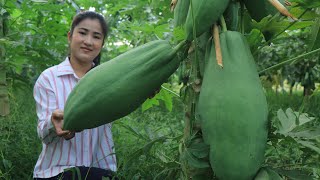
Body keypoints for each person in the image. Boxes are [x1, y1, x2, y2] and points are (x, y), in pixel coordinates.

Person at [33, 11, 117, 180]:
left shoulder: (110, 79)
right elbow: (44, 135)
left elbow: (128, 98)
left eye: (96, 36)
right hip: (57, 172)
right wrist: (52, 124)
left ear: (102, 43)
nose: (88, 41)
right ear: (70, 36)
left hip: (100, 171)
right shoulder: (49, 78)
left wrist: (147, 87)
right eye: (83, 33)